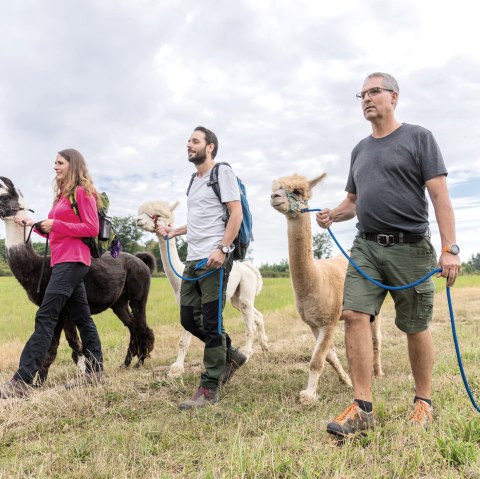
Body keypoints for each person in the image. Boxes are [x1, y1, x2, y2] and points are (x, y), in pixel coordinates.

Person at [316, 72, 461, 437]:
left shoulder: (418, 138)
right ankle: (362, 406)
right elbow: (353, 202)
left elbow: (439, 195)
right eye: (361, 94)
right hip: (366, 246)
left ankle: (423, 402)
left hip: (410, 247)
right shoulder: (359, 151)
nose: (366, 98)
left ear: (394, 97)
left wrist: (450, 248)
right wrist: (332, 214)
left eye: (374, 91)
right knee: (353, 315)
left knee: (414, 325)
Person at [0, 149, 104, 399]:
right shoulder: (62, 197)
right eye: (54, 163)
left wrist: (55, 224)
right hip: (62, 260)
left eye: (60, 163)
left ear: (73, 165)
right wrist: (34, 226)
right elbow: (57, 232)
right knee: (82, 317)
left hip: (74, 260)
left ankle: (21, 380)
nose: (55, 167)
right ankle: (95, 372)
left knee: (46, 315)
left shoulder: (82, 191)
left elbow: (91, 227)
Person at [156, 126, 247, 410]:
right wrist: (174, 232)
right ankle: (230, 354)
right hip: (193, 259)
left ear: (210, 147)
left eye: (195, 141)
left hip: (214, 259)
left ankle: (209, 388)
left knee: (211, 320)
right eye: (188, 141)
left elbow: (236, 213)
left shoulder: (223, 173)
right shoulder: (193, 181)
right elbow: (199, 222)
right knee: (188, 317)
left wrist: (222, 248)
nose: (189, 145)